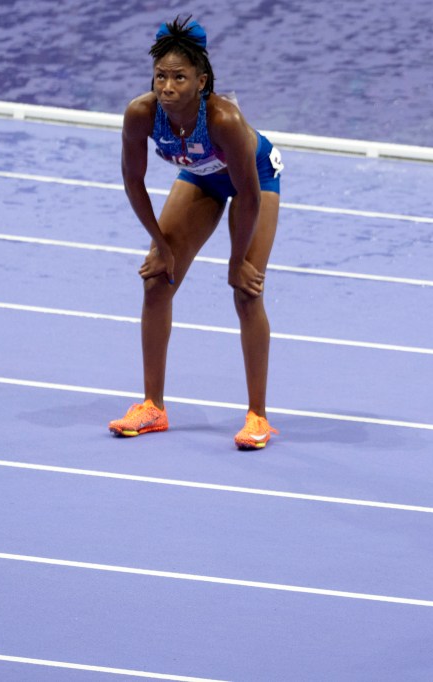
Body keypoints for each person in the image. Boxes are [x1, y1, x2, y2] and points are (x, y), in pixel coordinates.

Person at [108, 16, 284, 450]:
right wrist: (162, 247)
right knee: (157, 281)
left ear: (201, 81)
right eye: (161, 76)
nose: (167, 87)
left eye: (179, 78)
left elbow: (248, 195)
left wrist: (237, 260)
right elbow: (133, 182)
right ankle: (153, 406)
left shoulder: (224, 119)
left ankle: (257, 416)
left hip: (255, 181)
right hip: (202, 177)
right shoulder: (141, 114)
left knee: (247, 292)